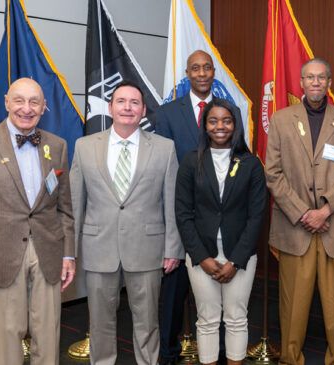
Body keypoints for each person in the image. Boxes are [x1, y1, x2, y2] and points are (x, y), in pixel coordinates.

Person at [0, 77, 76, 365]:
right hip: (1, 255)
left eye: (34, 101)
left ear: (44, 107)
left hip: (49, 250)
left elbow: (64, 207)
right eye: (19, 100)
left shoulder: (57, 146)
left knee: (49, 334)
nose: (26, 108)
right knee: (9, 335)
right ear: (7, 102)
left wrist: (69, 254)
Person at [70, 80, 184, 365]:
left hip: (148, 248)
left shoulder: (164, 148)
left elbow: (172, 202)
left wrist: (174, 248)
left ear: (143, 109)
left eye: (134, 102)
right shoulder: (84, 147)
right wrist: (68, 252)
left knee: (147, 322)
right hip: (99, 247)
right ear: (110, 107)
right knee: (99, 323)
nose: (127, 108)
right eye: (121, 101)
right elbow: (74, 202)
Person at [265, 58, 334, 365]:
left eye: (322, 77)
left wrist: (324, 210)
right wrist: (303, 212)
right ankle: (291, 358)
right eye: (310, 77)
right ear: (301, 83)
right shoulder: (282, 120)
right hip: (295, 227)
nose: (316, 82)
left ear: (330, 82)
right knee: (293, 304)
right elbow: (273, 174)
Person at [174, 98, 266, 365]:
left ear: (234, 125)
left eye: (226, 120)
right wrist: (201, 257)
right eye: (213, 121)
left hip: (241, 255)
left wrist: (236, 261)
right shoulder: (191, 163)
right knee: (207, 320)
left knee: (236, 318)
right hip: (202, 256)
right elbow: (183, 213)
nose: (220, 126)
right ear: (204, 126)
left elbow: (256, 216)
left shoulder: (251, 164)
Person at [155, 49, 215, 365]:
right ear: (187, 74)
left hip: (217, 218)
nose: (202, 73)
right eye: (195, 68)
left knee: (215, 293)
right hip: (178, 218)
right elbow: (162, 169)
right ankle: (168, 353)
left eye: (207, 67)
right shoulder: (165, 114)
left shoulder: (225, 110)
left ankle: (216, 353)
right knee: (173, 297)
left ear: (213, 71)